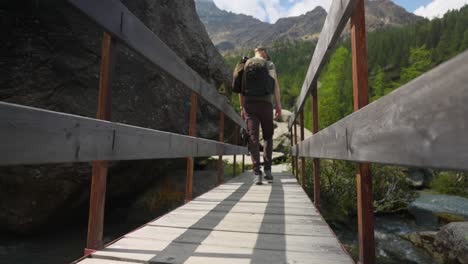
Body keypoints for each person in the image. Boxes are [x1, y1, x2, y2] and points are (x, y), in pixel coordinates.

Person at [236, 46, 282, 185]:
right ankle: (267, 170)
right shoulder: (269, 64)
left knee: (253, 137)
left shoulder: (246, 64)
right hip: (266, 104)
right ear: (265, 53)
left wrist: (242, 107)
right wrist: (278, 105)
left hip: (250, 104)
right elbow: (275, 86)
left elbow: (240, 89)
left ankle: (257, 173)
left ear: (255, 52)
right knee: (268, 136)